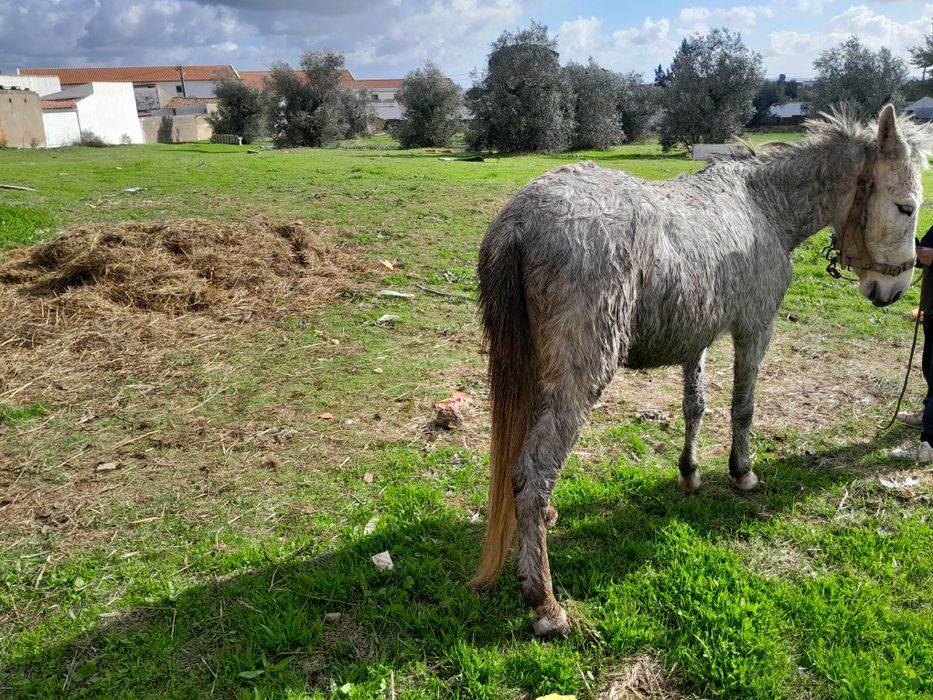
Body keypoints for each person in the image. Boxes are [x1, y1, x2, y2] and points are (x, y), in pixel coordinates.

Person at [891, 223, 933, 461]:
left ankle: (931, 444)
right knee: (929, 367)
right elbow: (921, 250)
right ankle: (929, 414)